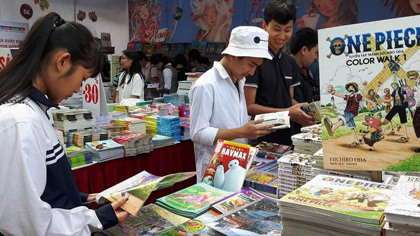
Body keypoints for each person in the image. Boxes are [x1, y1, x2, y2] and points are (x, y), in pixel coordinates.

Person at [0, 12, 129, 235]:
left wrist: (75, 197)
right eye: (82, 79)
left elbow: (37, 189)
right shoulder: (21, 122)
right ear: (62, 61)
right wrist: (96, 218)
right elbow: (26, 223)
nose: (78, 90)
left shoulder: (35, 111)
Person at [189, 26, 274, 181]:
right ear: (232, 55)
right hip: (213, 170)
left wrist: (251, 129)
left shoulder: (238, 80)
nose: (252, 72)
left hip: (237, 165)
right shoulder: (206, 85)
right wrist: (242, 131)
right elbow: (197, 133)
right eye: (251, 64)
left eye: (256, 66)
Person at [244, 0, 315, 146]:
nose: (282, 35)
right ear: (265, 26)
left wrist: (304, 112)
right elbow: (249, 106)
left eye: (287, 30)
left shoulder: (289, 62)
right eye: (276, 29)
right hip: (261, 138)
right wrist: (287, 112)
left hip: (287, 137)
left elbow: (289, 99)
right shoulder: (255, 61)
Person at [289, 27, 319, 134]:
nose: (316, 57)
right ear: (304, 50)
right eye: (315, 52)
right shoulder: (287, 70)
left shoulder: (306, 71)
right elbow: (289, 101)